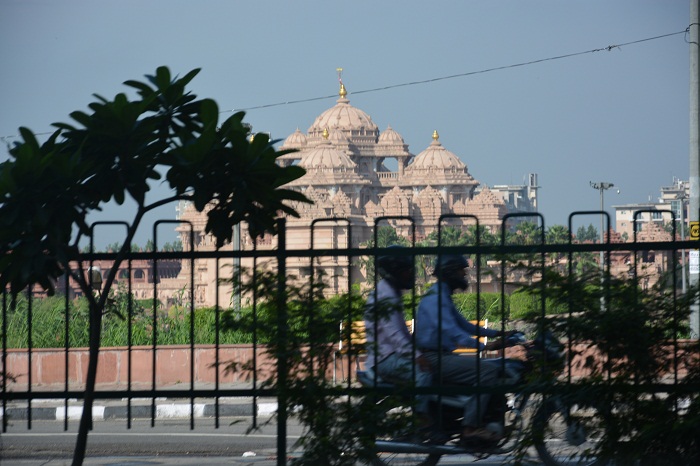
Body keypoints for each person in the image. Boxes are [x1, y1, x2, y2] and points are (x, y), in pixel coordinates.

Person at [416, 254, 515, 444]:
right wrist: (484, 346)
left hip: (442, 355)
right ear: (450, 273)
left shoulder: (441, 294)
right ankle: (470, 427)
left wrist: (498, 334)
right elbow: (452, 331)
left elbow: (464, 325)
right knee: (487, 371)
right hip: (434, 358)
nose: (464, 276)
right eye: (462, 271)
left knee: (492, 365)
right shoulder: (436, 298)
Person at [363, 245, 434, 431]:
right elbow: (394, 335)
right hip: (385, 358)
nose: (410, 274)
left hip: (391, 354)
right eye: (406, 270)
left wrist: (419, 348)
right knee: (424, 372)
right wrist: (417, 356)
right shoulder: (386, 296)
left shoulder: (391, 291)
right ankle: (421, 419)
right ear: (395, 271)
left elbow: (401, 333)